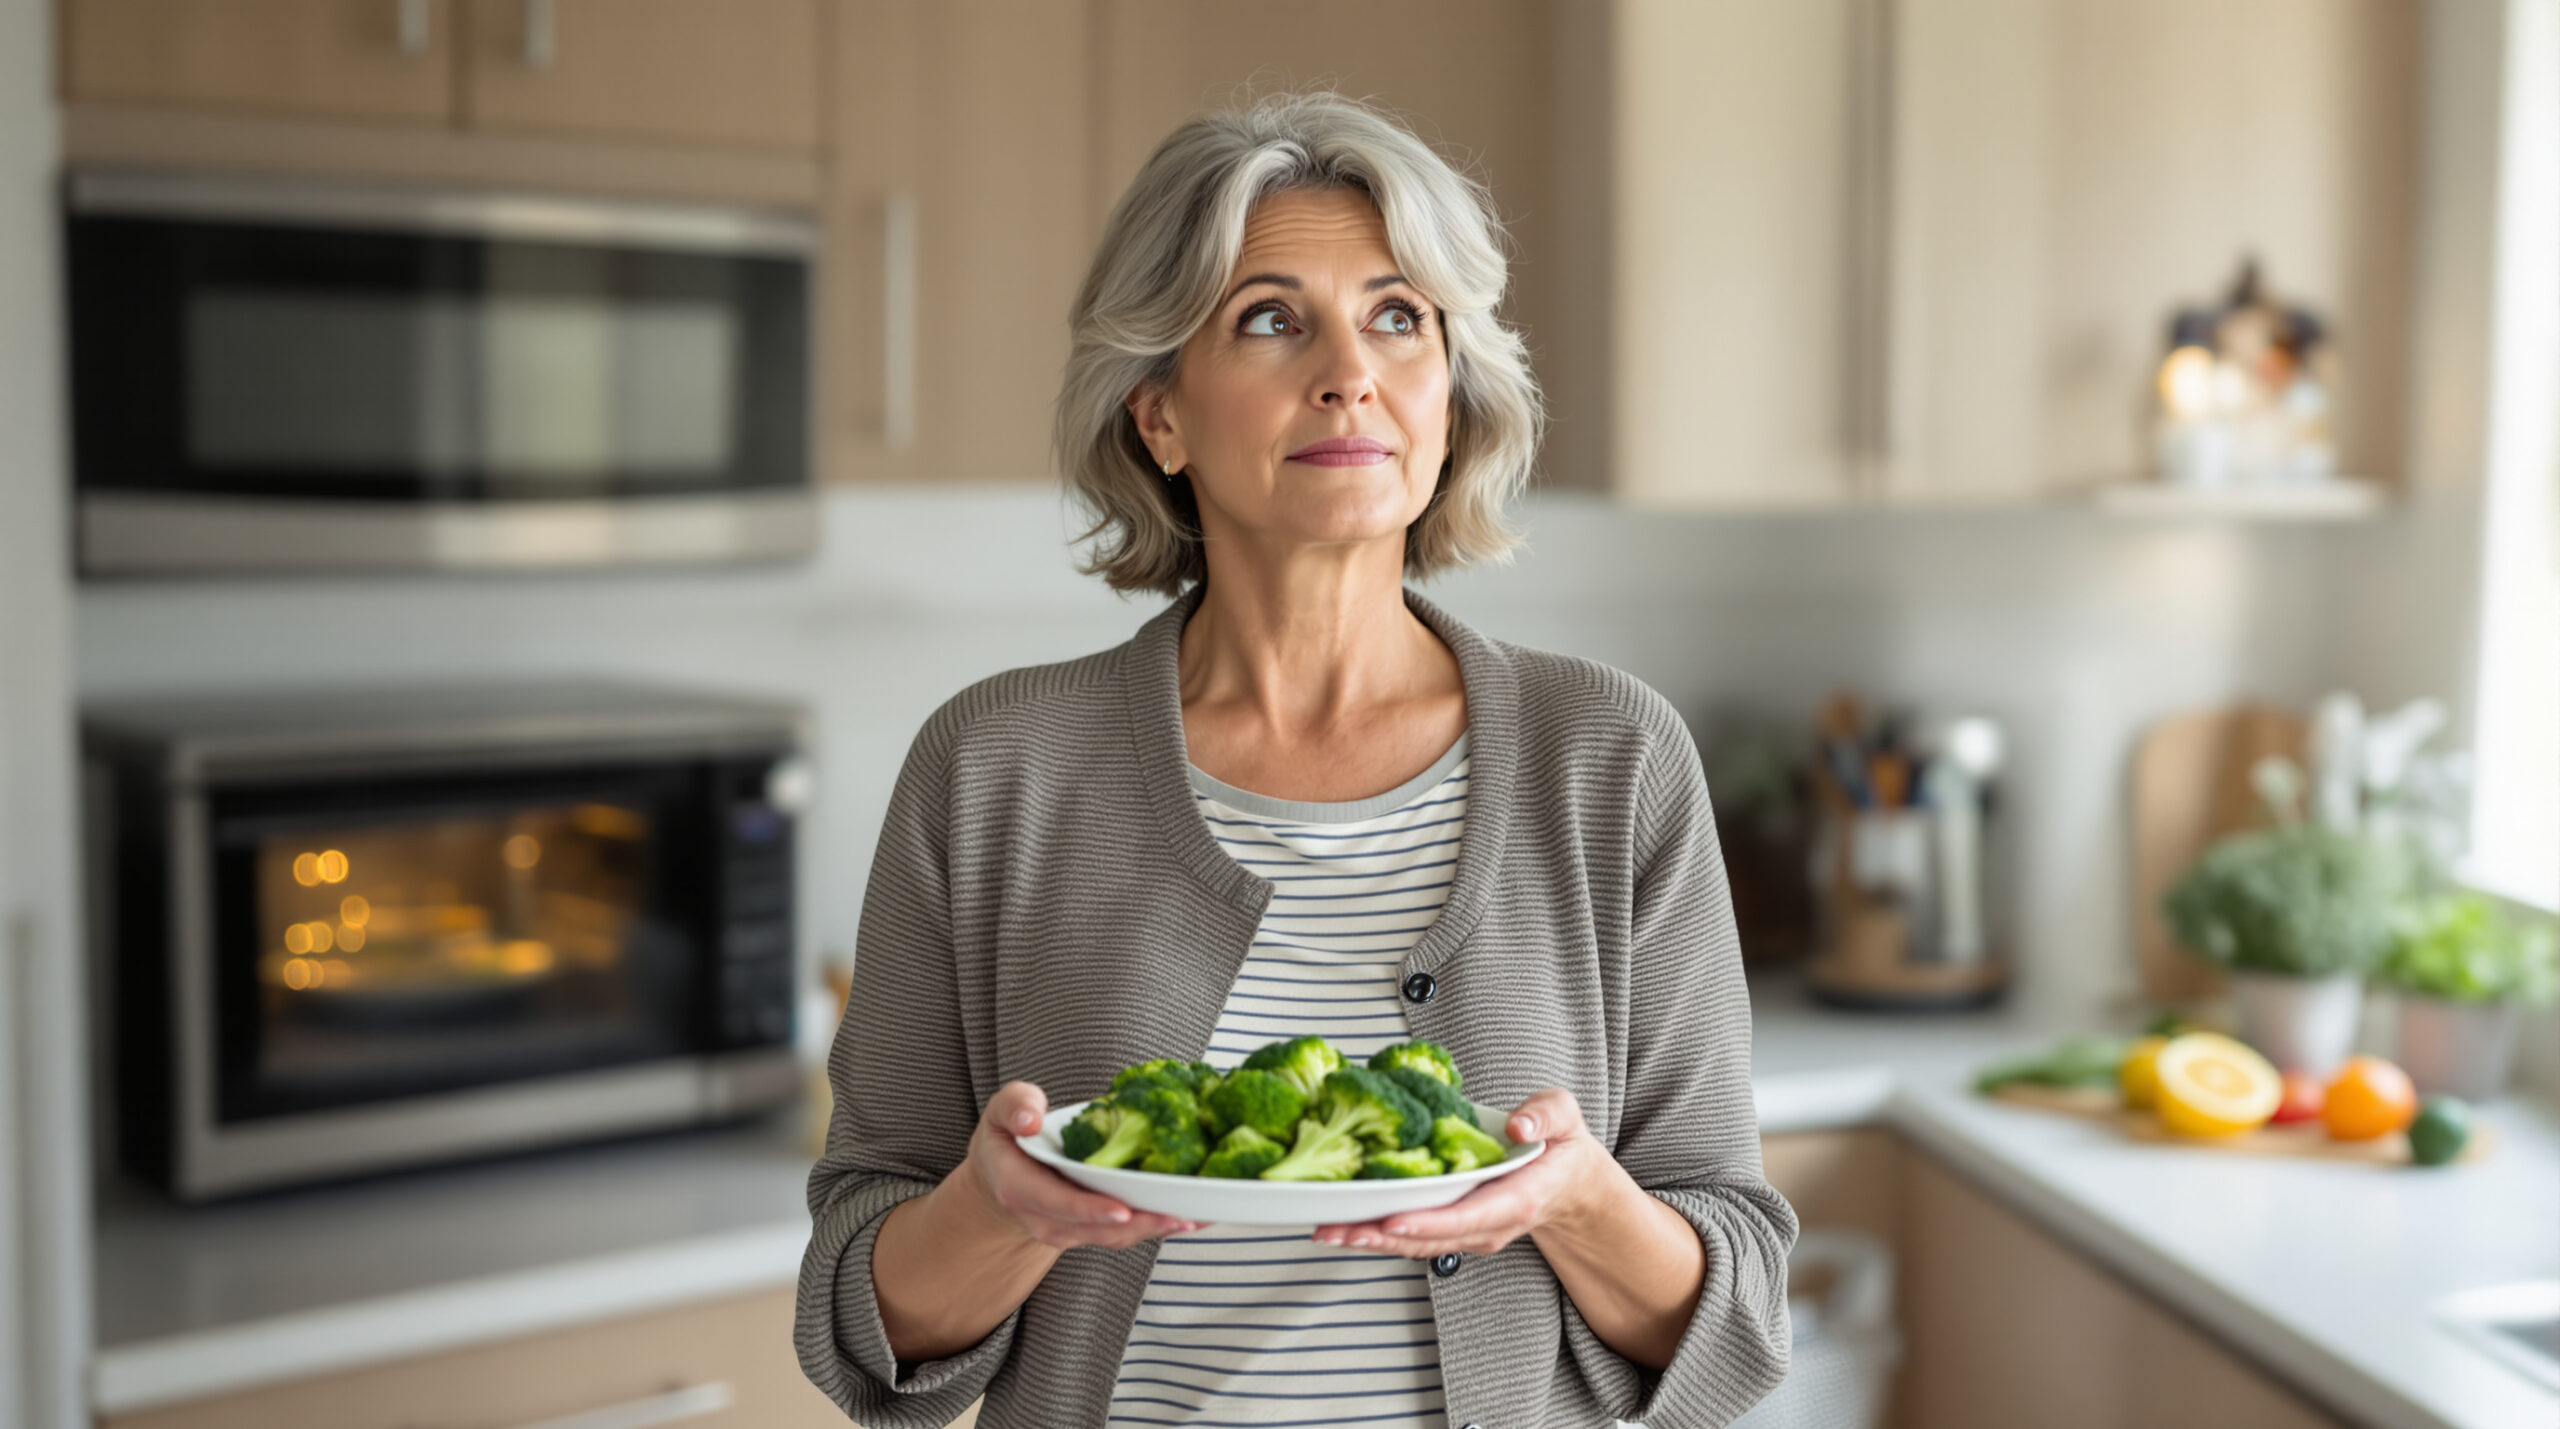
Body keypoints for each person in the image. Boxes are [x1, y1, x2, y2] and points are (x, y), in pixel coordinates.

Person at [796, 89, 1795, 1429]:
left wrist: (1573, 1195)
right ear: (1159, 414)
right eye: (1271, 318)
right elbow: (861, 1321)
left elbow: (1731, 1316)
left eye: (1399, 317)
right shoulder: (993, 768)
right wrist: (996, 1210)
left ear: (1447, 399)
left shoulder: (1610, 758)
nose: (1351, 371)